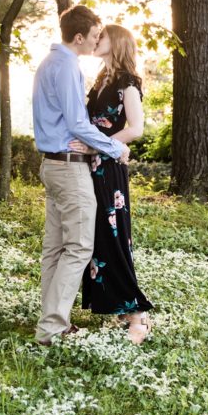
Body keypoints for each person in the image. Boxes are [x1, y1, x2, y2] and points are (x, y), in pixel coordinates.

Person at [32, 5, 131, 346]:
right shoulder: (67, 66)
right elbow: (77, 123)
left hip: (51, 163)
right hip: (69, 167)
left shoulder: (48, 63)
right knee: (78, 247)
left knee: (55, 248)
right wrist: (115, 148)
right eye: (92, 36)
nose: (95, 42)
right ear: (78, 37)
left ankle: (50, 321)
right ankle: (53, 327)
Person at [70, 24, 154, 345]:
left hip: (108, 169)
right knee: (96, 238)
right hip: (92, 167)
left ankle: (138, 315)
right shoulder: (102, 78)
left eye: (101, 35)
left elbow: (136, 128)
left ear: (115, 42)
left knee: (112, 237)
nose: (96, 39)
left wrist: (99, 146)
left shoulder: (126, 82)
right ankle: (119, 307)